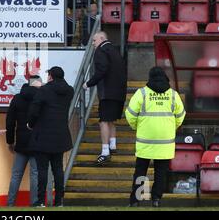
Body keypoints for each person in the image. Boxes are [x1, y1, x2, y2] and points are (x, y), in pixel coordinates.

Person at [125, 67, 185, 207]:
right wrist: (171, 127)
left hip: (145, 140)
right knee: (161, 172)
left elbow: (130, 114)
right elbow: (181, 115)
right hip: (165, 141)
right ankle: (156, 199)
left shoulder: (142, 93)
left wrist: (136, 127)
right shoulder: (173, 95)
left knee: (141, 171)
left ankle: (137, 200)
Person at [28, 67, 74, 207]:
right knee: (58, 169)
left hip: (43, 135)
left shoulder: (44, 90)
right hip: (60, 135)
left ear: (50, 76)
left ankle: (41, 200)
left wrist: (31, 124)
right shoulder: (69, 91)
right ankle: (59, 200)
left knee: (42, 169)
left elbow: (34, 110)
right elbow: (59, 91)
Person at [83, 31, 127, 165]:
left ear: (102, 39)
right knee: (111, 120)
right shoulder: (115, 50)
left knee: (103, 121)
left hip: (108, 92)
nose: (93, 44)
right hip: (119, 93)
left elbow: (102, 70)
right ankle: (112, 145)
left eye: (94, 41)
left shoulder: (101, 50)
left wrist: (89, 83)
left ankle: (105, 151)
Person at [5, 75, 42, 207]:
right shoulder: (41, 98)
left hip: (21, 141)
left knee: (16, 175)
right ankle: (34, 204)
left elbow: (10, 122)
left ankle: (10, 204)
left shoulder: (17, 98)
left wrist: (10, 141)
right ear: (39, 84)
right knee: (35, 174)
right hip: (37, 141)